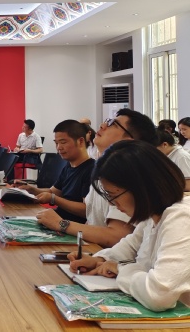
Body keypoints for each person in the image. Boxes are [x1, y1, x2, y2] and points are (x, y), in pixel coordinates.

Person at [68, 140, 190, 312]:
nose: (112, 203)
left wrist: (120, 269)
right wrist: (99, 260)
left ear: (142, 187)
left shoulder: (181, 217)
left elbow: (158, 295)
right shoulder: (153, 215)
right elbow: (129, 247)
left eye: (112, 195)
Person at [36, 108, 157, 247]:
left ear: (128, 140)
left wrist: (61, 224)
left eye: (112, 124)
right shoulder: (101, 171)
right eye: (107, 121)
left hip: (107, 255)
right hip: (93, 250)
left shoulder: (127, 177)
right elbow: (92, 219)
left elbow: (116, 236)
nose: (102, 125)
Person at [10, 120, 93, 223]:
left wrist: (54, 199)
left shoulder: (91, 170)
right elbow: (52, 192)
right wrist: (30, 189)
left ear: (80, 141)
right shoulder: (68, 167)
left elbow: (86, 211)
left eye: (63, 142)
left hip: (70, 226)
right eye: (56, 143)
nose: (59, 147)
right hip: (57, 219)